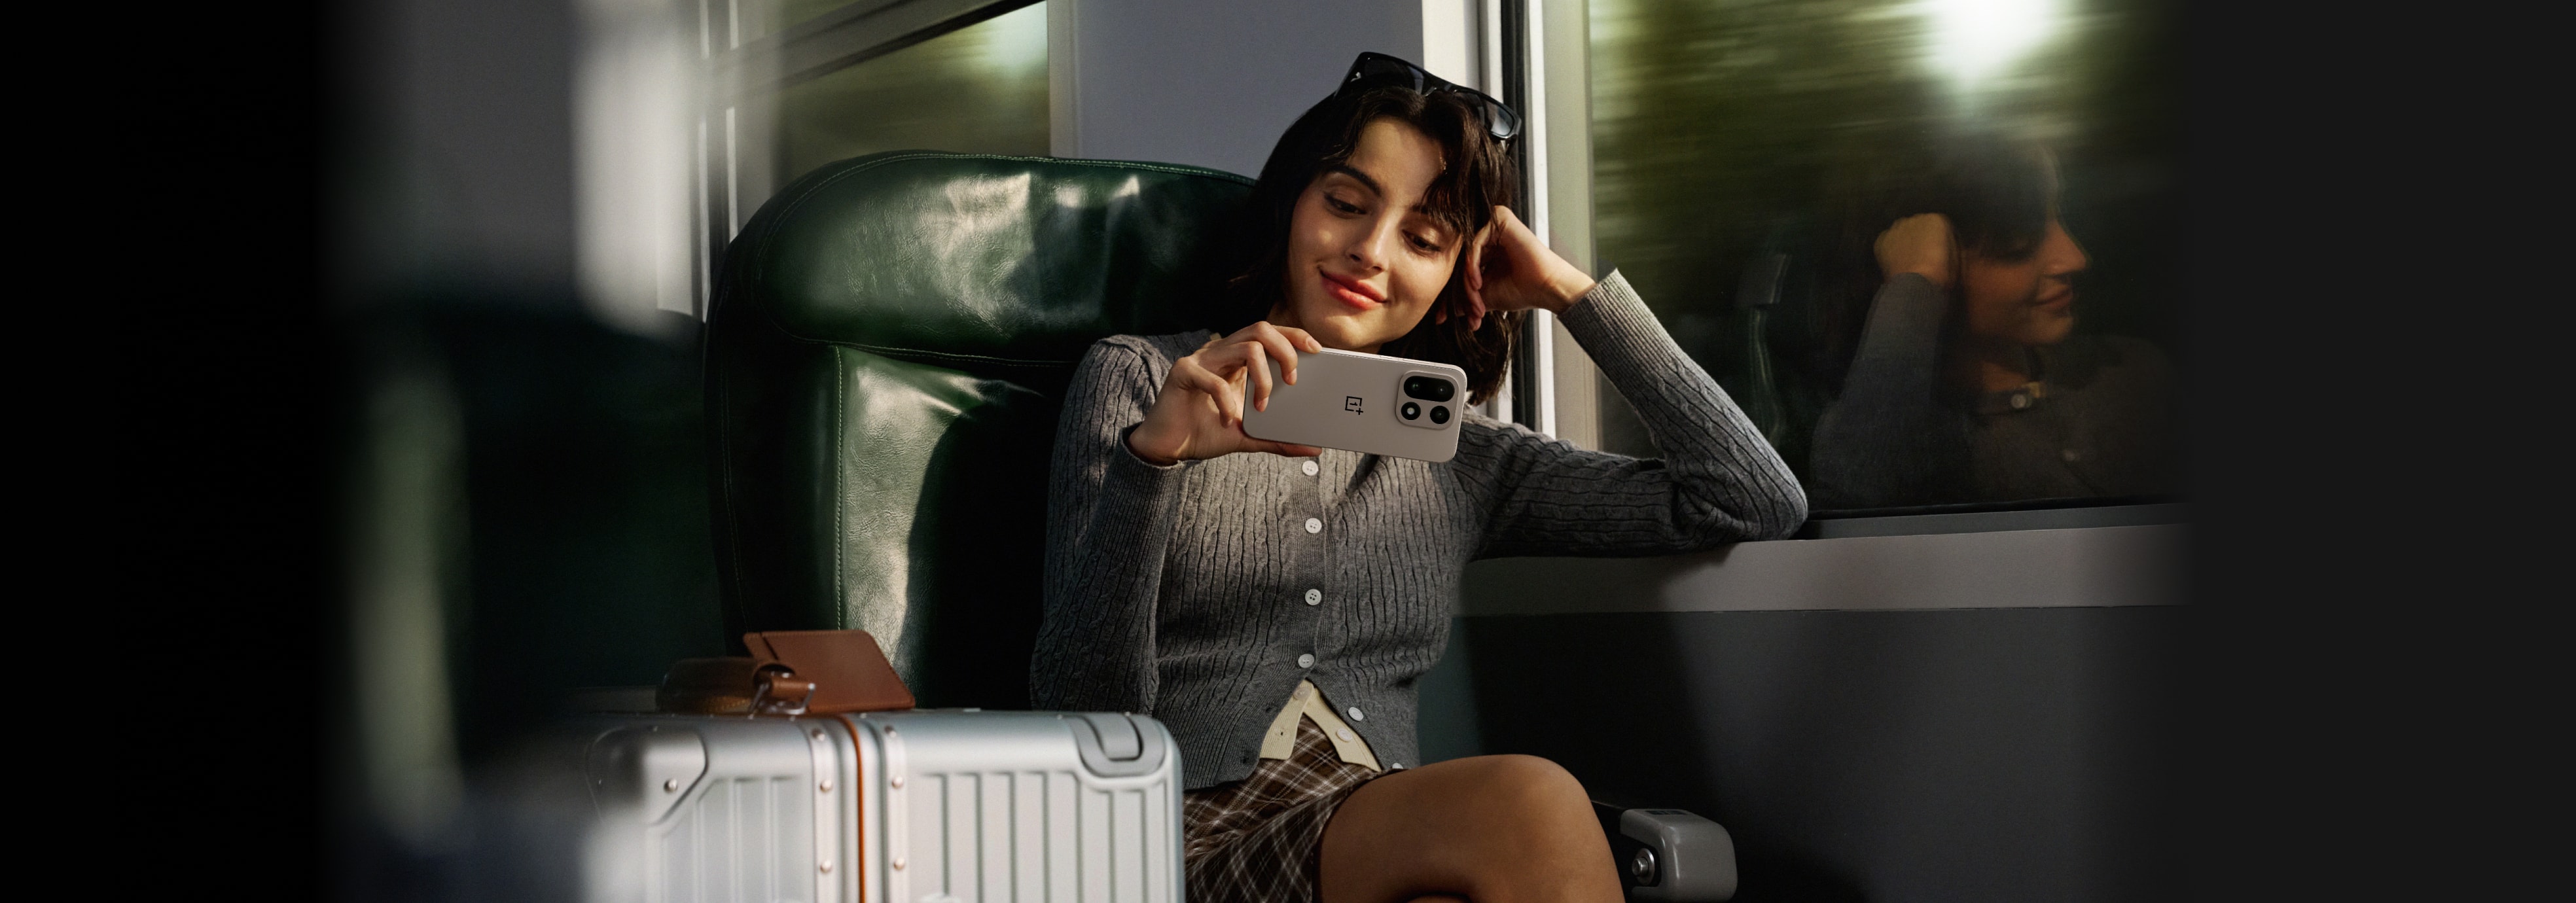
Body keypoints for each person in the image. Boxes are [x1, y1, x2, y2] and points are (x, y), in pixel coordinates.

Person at [1031, 53, 1806, 902]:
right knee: (1530, 798)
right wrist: (1155, 463)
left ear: (1456, 277)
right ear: (1294, 202)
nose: (1369, 252)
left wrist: (1571, 294)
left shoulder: (1469, 460)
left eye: (1424, 238)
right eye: (1345, 205)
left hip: (1382, 828)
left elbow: (1751, 495)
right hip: (1175, 835)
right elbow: (1083, 709)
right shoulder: (1144, 380)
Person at [1806, 132, 2179, 508]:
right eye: (2019, 248)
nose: (2075, 257)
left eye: (2059, 216)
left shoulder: (2133, 371)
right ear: (1939, 267)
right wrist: (1914, 285)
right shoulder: (1912, 444)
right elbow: (1852, 500)